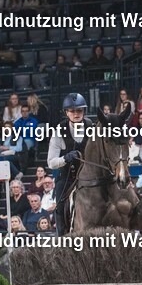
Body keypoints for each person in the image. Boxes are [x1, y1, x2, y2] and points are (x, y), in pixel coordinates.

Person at [47, 92, 89, 235]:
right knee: (60, 207)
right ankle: (62, 237)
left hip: (90, 176)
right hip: (67, 178)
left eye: (79, 110)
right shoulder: (59, 132)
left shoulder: (93, 128)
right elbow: (51, 162)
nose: (76, 114)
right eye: (72, 111)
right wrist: (65, 158)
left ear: (84, 111)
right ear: (66, 112)